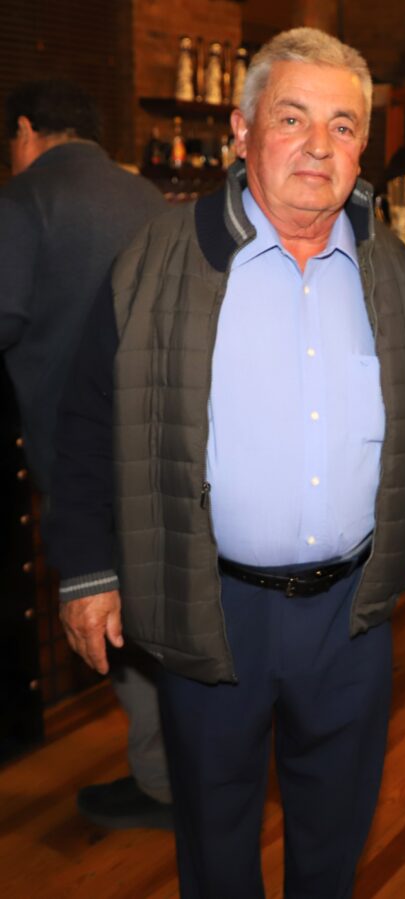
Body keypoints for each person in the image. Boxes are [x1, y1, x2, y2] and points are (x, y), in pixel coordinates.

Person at [46, 28, 405, 898]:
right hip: (210, 604)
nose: (318, 145)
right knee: (215, 839)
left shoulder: (393, 272)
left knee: (335, 835)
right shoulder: (157, 258)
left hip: (353, 614)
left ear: (362, 146)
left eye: (342, 125)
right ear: (243, 130)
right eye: (292, 118)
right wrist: (88, 571)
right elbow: (88, 418)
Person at [0, 79, 172, 830]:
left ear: (26, 130)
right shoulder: (145, 194)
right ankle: (180, 771)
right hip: (162, 443)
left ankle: (169, 783)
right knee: (152, 616)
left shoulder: (24, 199)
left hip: (77, 450)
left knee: (110, 618)